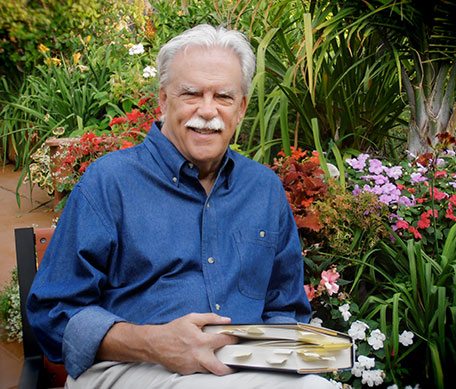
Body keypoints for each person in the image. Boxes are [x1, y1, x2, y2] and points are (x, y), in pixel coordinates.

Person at [27, 24, 335, 388]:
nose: (207, 111)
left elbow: (284, 309)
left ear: (241, 109)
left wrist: (291, 357)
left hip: (245, 368)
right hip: (128, 367)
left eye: (223, 96)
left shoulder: (263, 188)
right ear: (163, 100)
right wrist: (153, 343)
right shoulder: (109, 182)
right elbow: (54, 312)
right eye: (191, 93)